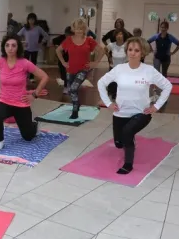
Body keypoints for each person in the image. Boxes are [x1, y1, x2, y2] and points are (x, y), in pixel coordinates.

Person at [97, 37, 172, 174]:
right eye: (130, 50)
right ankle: (127, 139)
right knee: (119, 143)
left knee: (127, 134)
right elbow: (101, 83)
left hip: (141, 113)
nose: (132, 53)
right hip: (120, 113)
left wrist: (156, 106)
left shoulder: (149, 71)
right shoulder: (119, 69)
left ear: (142, 53)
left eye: (136, 50)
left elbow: (167, 86)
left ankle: (128, 164)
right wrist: (108, 103)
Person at [0, 34, 49, 151]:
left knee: (27, 137)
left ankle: (34, 125)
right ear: (4, 47)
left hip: (21, 103)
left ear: (18, 48)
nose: (10, 48)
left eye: (13, 45)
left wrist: (34, 95)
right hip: (4, 100)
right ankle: (0, 141)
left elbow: (44, 77)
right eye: (7, 45)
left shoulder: (25, 63)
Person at [56, 18, 103, 119]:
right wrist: (64, 63)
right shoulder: (68, 40)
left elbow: (101, 50)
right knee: (70, 90)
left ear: (84, 29)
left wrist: (95, 62)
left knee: (73, 89)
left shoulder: (89, 40)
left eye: (81, 29)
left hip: (83, 69)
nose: (79, 31)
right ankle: (76, 104)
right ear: (73, 29)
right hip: (70, 69)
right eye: (77, 28)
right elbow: (58, 50)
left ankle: (75, 109)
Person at [106, 30, 128, 100]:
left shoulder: (126, 45)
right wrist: (109, 57)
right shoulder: (111, 45)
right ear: (115, 37)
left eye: (121, 34)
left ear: (123, 36)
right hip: (114, 68)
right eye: (117, 35)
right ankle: (112, 95)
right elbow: (104, 50)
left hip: (123, 69)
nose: (119, 36)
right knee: (113, 85)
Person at [52, 27, 73, 94]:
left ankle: (67, 86)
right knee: (63, 75)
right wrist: (57, 47)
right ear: (65, 34)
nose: (69, 37)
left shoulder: (74, 39)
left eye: (70, 35)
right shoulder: (61, 38)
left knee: (68, 73)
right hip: (62, 59)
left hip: (71, 59)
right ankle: (66, 82)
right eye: (67, 35)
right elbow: (53, 41)